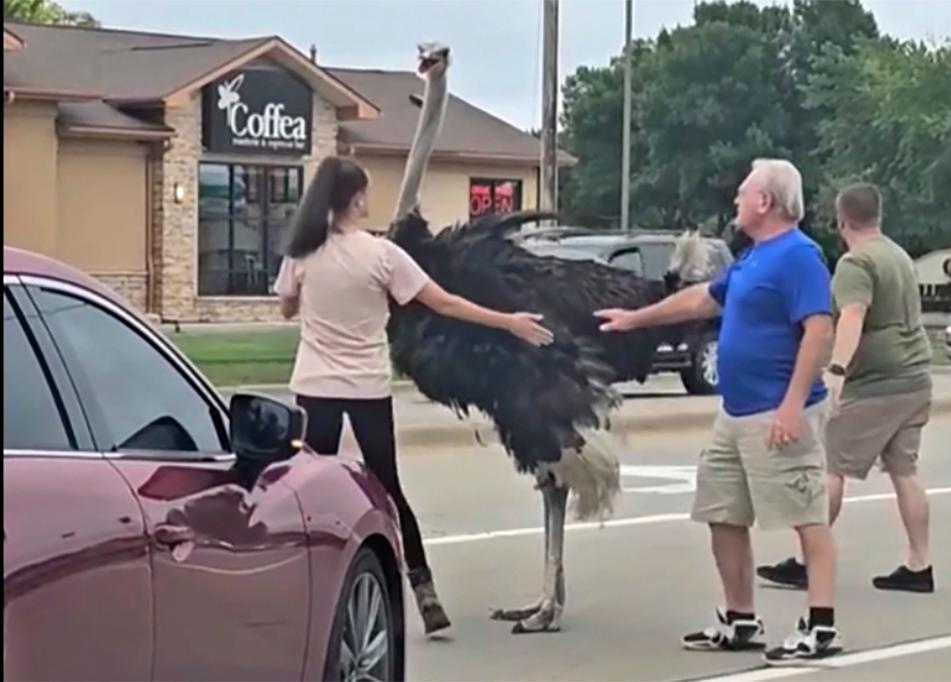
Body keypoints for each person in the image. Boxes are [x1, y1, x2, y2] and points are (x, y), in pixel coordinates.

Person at [274, 157, 553, 635]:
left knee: (308, 490)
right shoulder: (382, 256)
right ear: (356, 199)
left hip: (314, 386)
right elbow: (443, 302)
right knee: (389, 488)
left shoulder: (302, 253)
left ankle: (302, 589)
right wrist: (509, 321)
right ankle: (423, 590)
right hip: (366, 387)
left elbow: (284, 307)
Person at [596, 159, 841, 664]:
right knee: (721, 513)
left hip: (778, 411)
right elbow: (703, 301)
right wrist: (635, 319)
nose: (736, 199)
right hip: (735, 413)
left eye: (743, 192)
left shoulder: (800, 257)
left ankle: (820, 626)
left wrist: (793, 406)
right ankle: (740, 618)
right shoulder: (753, 258)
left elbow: (819, 331)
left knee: (806, 516)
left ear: (766, 202)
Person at [757, 183, 935, 594]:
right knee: (905, 472)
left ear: (841, 221)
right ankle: (919, 563)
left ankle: (807, 561)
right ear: (878, 216)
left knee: (832, 470)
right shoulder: (898, 255)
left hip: (877, 383)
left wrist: (836, 369)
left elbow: (853, 315)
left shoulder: (856, 263)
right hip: (915, 377)